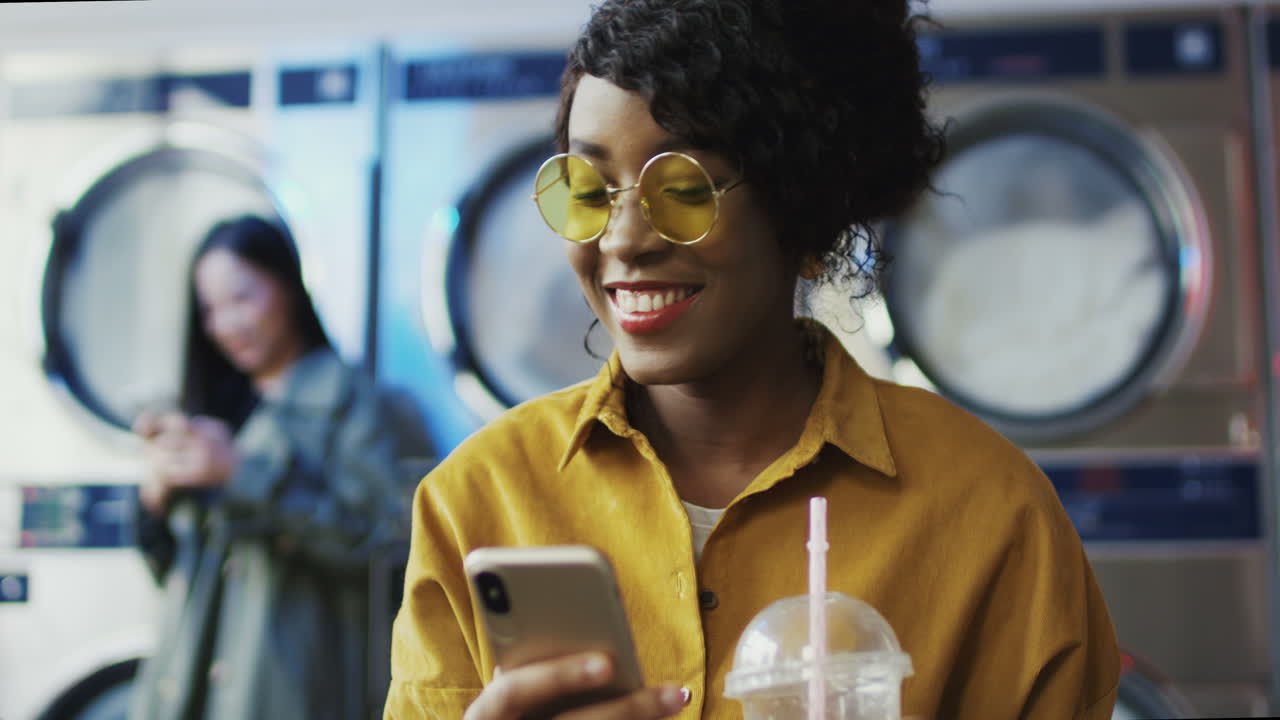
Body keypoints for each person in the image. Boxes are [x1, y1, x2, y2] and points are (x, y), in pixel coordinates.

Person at [385, 0, 1120, 718]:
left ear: (804, 210)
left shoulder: (990, 513)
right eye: (591, 188)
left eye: (682, 189)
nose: (622, 239)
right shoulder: (479, 502)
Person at [129, 215, 434, 720]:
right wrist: (154, 497)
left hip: (288, 692)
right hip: (187, 686)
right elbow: (172, 571)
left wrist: (240, 474)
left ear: (289, 285)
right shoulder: (217, 408)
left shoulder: (348, 398)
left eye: (242, 298)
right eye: (210, 309)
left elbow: (385, 543)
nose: (226, 324)